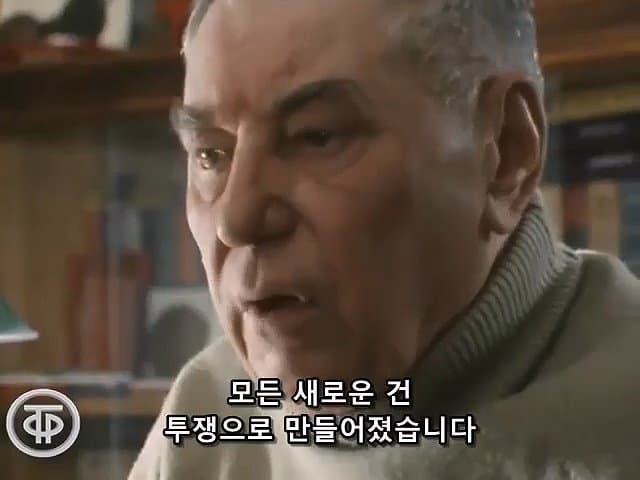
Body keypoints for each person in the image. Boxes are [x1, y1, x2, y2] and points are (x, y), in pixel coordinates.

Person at [129, 0, 640, 478]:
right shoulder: (205, 418)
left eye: (317, 136)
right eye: (210, 155)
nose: (236, 220)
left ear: (506, 152)